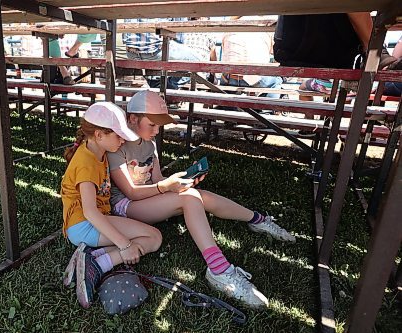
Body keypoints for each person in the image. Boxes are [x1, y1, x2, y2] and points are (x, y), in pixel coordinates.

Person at [107, 90, 296, 309]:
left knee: (197, 195)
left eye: (159, 125)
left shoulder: (149, 145)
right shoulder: (117, 145)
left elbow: (157, 178)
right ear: (132, 118)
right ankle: (218, 270)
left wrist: (180, 182)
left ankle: (257, 220)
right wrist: (166, 187)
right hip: (127, 207)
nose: (157, 130)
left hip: (148, 198)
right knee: (190, 199)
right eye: (152, 125)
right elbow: (131, 192)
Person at [61, 102, 162, 308]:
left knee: (152, 237)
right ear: (98, 135)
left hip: (90, 223)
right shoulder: (86, 163)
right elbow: (90, 211)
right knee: (153, 238)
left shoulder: (96, 152)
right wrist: (124, 244)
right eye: (118, 135)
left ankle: (90, 256)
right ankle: (97, 265)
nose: (122, 139)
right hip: (84, 225)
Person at [122, 18, 203, 89]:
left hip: (131, 53)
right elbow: (179, 35)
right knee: (197, 60)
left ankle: (161, 89)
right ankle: (170, 87)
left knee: (154, 69)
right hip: (156, 50)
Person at [220, 18, 283, 99]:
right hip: (253, 78)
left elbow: (224, 49)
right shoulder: (264, 26)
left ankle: (228, 106)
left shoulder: (229, 27)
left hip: (228, 78)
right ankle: (268, 109)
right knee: (276, 81)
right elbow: (275, 54)